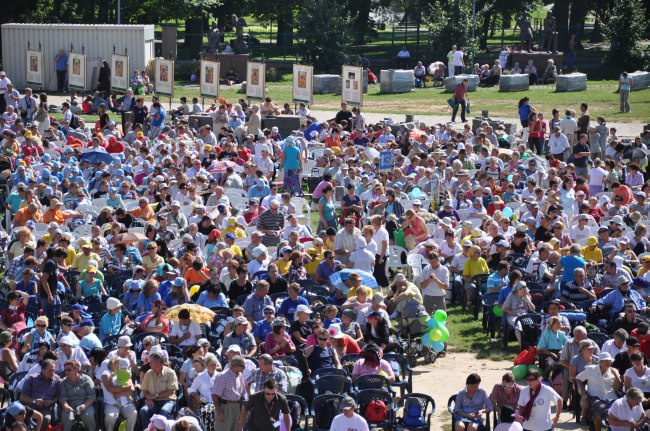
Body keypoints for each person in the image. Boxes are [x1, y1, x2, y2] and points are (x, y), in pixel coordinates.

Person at [576, 352, 621, 430]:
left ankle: (612, 427)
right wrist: (582, 389)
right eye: (605, 360)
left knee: (617, 407)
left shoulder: (614, 371)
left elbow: (619, 388)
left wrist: (617, 376)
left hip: (611, 396)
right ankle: (598, 428)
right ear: (600, 361)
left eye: (609, 361)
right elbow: (578, 378)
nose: (608, 362)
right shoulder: (591, 369)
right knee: (599, 407)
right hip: (595, 396)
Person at [60, 359, 97, 431]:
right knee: (66, 417)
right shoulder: (63, 382)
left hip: (85, 404)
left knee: (88, 415)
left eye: (69, 370)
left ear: (76, 369)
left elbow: (92, 396)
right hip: (70, 405)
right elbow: (62, 398)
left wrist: (84, 405)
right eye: (65, 370)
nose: (66, 372)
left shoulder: (87, 379)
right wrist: (66, 407)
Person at [212, 355, 246, 431]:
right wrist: (219, 412)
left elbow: (241, 394)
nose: (245, 367)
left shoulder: (240, 375)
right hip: (225, 408)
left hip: (237, 407)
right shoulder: (222, 376)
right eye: (243, 366)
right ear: (235, 366)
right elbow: (214, 395)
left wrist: (241, 409)